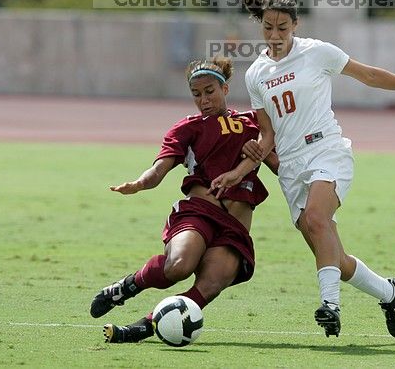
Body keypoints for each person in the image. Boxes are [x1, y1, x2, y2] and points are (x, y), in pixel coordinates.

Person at [211, 0, 395, 338]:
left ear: (296, 24)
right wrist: (240, 169)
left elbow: (369, 75)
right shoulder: (256, 74)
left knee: (316, 217)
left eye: (283, 27)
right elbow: (267, 137)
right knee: (335, 259)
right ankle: (390, 292)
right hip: (292, 167)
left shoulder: (317, 52)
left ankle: (330, 306)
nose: (275, 36)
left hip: (327, 151)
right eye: (268, 28)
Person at [91, 57, 278, 343]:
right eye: (196, 94)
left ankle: (146, 326)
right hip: (199, 212)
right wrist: (140, 184)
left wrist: (263, 150)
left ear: (225, 89)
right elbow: (159, 169)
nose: (203, 99)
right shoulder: (187, 128)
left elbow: (280, 166)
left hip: (235, 227)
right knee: (179, 265)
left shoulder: (254, 124)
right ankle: (126, 287)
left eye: (209, 91)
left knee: (212, 283)